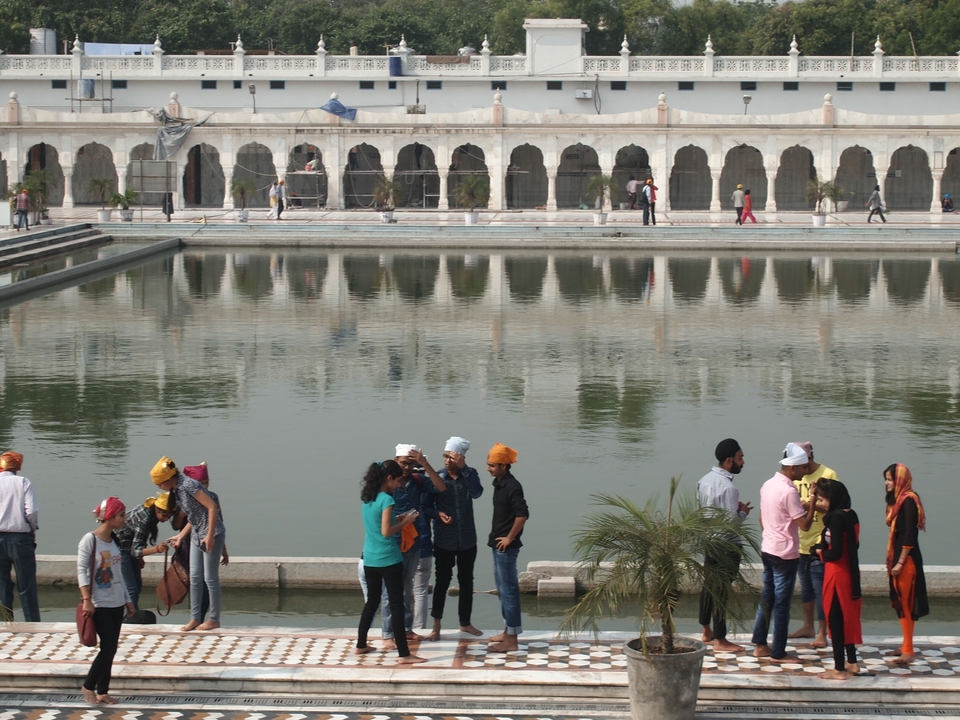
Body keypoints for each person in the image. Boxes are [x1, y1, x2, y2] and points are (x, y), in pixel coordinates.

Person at [751, 443, 817, 663]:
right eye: (802, 468)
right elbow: (805, 526)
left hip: (768, 548)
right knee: (782, 604)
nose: (804, 472)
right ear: (792, 468)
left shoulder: (768, 485)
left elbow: (763, 517)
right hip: (785, 554)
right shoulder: (789, 491)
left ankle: (760, 645)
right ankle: (779, 651)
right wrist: (814, 502)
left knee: (767, 598)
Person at [355, 459, 427, 664]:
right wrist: (406, 522)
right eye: (396, 481)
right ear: (389, 479)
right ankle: (404, 654)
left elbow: (378, 524)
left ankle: (361, 644)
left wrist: (398, 518)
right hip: (388, 559)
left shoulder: (367, 498)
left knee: (372, 602)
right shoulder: (387, 500)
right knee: (396, 604)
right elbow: (386, 532)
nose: (398, 485)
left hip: (370, 558)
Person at [378, 444, 445, 650]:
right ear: (396, 461)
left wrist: (425, 464)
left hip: (413, 543)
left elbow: (441, 487)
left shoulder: (417, 481)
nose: (407, 468)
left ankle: (406, 628)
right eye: (403, 463)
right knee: (390, 591)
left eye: (410, 464)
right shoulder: (387, 485)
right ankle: (388, 632)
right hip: (392, 544)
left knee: (407, 589)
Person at [152, 456, 225, 631]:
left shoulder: (189, 485)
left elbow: (212, 507)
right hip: (195, 534)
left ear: (168, 479)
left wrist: (210, 536)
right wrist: (181, 536)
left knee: (210, 578)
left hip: (211, 533)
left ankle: (214, 618)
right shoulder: (177, 490)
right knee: (194, 576)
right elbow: (194, 516)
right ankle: (195, 618)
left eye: (160, 483)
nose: (159, 487)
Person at [425, 436, 484, 641]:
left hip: (467, 538)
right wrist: (437, 514)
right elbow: (426, 506)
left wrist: (465, 468)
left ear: (461, 457)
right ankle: (436, 626)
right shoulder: (437, 477)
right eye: (445, 456)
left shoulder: (471, 475)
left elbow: (477, 493)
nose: (448, 460)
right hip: (444, 540)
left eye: (452, 456)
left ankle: (465, 622)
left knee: (467, 581)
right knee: (442, 581)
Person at [78, 497, 135, 705]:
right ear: (109, 517)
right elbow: (81, 571)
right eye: (121, 515)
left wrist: (128, 599)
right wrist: (87, 600)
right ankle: (88, 686)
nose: (124, 519)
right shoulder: (90, 541)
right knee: (109, 646)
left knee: (111, 647)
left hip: (116, 602)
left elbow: (118, 574)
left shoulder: (115, 541)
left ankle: (103, 691)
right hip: (99, 603)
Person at [697, 438, 752, 652]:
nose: (743, 462)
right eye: (740, 458)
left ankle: (706, 629)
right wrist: (742, 513)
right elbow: (730, 523)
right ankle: (720, 639)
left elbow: (704, 512)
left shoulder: (704, 481)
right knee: (721, 590)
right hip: (726, 545)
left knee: (709, 585)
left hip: (710, 541)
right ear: (729, 461)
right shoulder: (729, 488)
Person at [788, 441, 839, 649]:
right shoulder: (794, 477)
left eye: (803, 463)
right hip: (800, 542)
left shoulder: (828, 474)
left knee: (821, 589)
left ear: (809, 458)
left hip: (821, 543)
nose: (801, 468)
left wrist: (810, 505)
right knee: (806, 587)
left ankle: (822, 631)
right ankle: (807, 626)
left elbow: (835, 506)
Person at [812, 478, 862, 680]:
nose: (821, 505)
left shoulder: (835, 519)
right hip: (851, 572)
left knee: (835, 619)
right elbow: (853, 546)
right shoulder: (851, 515)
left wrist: (818, 552)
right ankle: (852, 662)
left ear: (832, 498)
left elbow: (836, 553)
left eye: (823, 500)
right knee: (848, 618)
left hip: (836, 574)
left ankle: (839, 669)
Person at [486, 442, 529, 653]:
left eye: (492, 465)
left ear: (504, 466)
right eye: (488, 464)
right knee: (502, 591)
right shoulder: (499, 483)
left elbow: (523, 515)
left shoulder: (512, 486)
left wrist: (510, 538)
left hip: (506, 547)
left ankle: (511, 640)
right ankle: (507, 631)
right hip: (497, 544)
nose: (489, 468)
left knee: (509, 591)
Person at [884, 463, 928, 666]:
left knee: (906, 602)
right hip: (898, 556)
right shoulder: (898, 501)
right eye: (886, 479)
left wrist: (900, 562)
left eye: (890, 479)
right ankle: (905, 645)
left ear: (900, 480)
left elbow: (910, 534)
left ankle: (908, 650)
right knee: (900, 602)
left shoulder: (909, 501)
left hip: (906, 558)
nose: (887, 483)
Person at [114, 492, 175, 610]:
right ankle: (132, 616)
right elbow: (135, 551)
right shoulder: (144, 519)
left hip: (129, 547)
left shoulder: (150, 514)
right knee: (131, 587)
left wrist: (139, 558)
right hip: (120, 549)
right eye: (164, 515)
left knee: (138, 584)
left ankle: (132, 612)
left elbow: (138, 541)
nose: (166, 519)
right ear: (157, 509)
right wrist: (156, 549)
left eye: (169, 516)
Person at [0, 451, 40, 622]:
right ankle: (33, 624)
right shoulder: (23, 482)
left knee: (2, 584)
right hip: (20, 538)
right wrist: (32, 528)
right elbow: (31, 511)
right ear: (17, 467)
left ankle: (5, 622)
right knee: (26, 584)